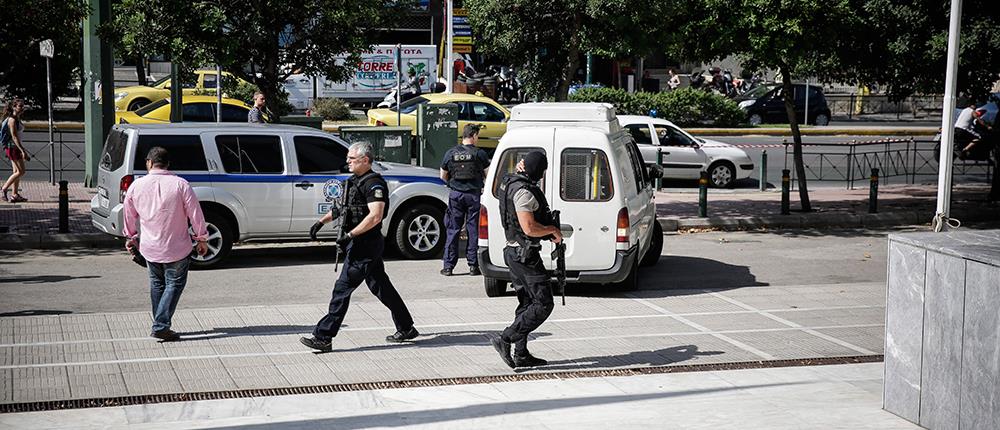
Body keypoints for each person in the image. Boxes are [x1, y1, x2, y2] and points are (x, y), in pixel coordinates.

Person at [301, 142, 418, 352]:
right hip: (357, 242)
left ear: (365, 160)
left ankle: (323, 336)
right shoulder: (353, 182)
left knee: (342, 289)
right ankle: (406, 327)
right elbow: (343, 209)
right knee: (381, 287)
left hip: (365, 244)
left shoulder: (374, 184)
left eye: (351, 159)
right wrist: (320, 223)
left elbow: (375, 216)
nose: (347, 162)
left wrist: (350, 235)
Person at [122, 147, 209, 342]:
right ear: (168, 164)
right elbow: (196, 214)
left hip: (150, 247)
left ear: (149, 163)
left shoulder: (136, 186)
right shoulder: (181, 185)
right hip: (177, 247)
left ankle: (161, 324)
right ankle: (160, 325)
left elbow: (128, 215)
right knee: (174, 284)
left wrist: (131, 237)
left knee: (157, 284)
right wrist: (201, 238)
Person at [490, 151, 561, 369]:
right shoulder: (524, 192)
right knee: (543, 304)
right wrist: (552, 230)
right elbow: (528, 226)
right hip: (524, 257)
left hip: (514, 252)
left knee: (527, 304)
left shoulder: (511, 182)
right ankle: (506, 338)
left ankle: (521, 354)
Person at [439, 124, 491, 276]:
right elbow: (488, 176)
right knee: (473, 230)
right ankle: (473, 266)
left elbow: (442, 175)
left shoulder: (450, 153)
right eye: (478, 136)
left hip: (456, 195)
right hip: (474, 196)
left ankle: (448, 267)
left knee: (453, 230)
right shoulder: (479, 154)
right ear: (473, 136)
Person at [1, 98, 30, 203]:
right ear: (14, 107)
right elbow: (14, 137)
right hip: (13, 147)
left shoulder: (16, 118)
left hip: (14, 147)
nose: (22, 108)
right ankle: (4, 189)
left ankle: (14, 194)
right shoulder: (12, 120)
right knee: (21, 171)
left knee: (16, 171)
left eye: (23, 106)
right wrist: (23, 151)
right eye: (20, 106)